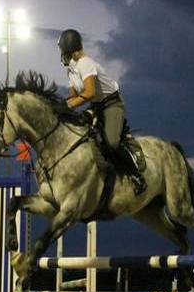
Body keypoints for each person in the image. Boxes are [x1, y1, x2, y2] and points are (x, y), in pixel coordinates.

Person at [55, 29, 146, 195]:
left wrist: (68, 106)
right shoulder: (71, 70)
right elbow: (73, 98)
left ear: (70, 50)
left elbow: (88, 93)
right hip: (97, 106)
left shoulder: (85, 63)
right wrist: (60, 107)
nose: (62, 55)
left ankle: (137, 175)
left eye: (63, 51)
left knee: (111, 141)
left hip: (112, 103)